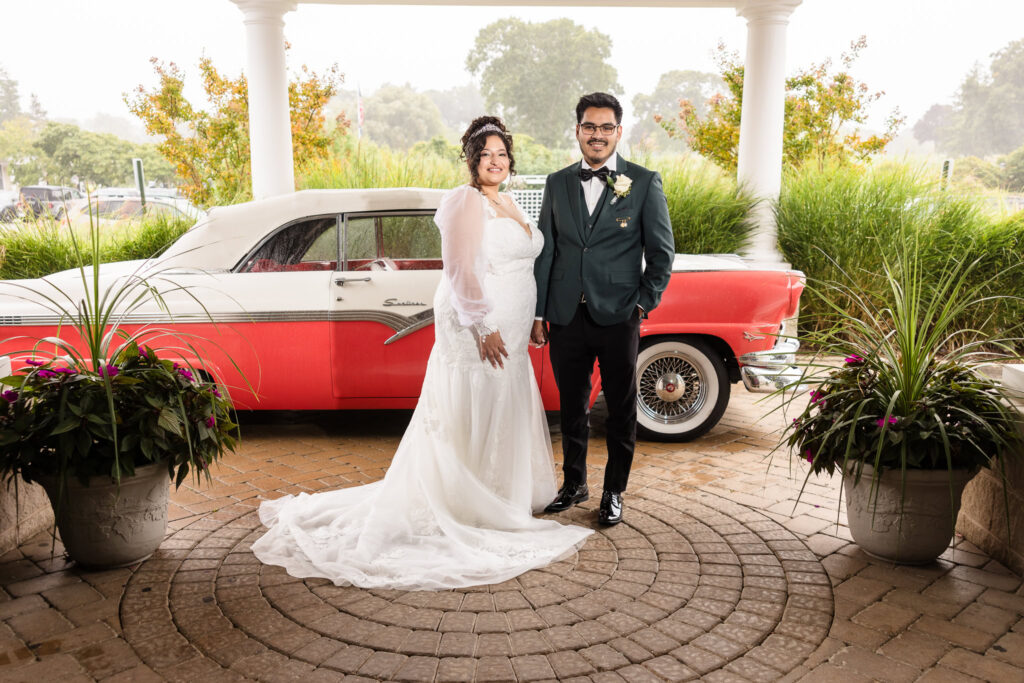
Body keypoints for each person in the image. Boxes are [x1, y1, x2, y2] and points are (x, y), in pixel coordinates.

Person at [252, 116, 593, 590]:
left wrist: (534, 318)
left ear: (510, 160)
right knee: (478, 393)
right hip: (480, 323)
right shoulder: (464, 201)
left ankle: (499, 492)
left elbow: (527, 261)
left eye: (502, 154)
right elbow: (459, 270)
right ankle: (467, 498)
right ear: (471, 161)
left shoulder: (510, 200)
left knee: (503, 393)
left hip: (514, 326)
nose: (494, 162)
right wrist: (483, 325)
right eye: (485, 155)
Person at [532, 92, 675, 526]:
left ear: (618, 131)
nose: (597, 135)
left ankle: (614, 491)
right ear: (577, 130)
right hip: (565, 315)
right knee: (571, 405)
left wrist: (641, 302)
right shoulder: (557, 183)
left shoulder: (643, 181)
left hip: (618, 315)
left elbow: (662, 253)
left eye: (606, 127)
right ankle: (574, 483)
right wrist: (540, 312)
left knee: (621, 406)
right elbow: (547, 251)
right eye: (589, 127)